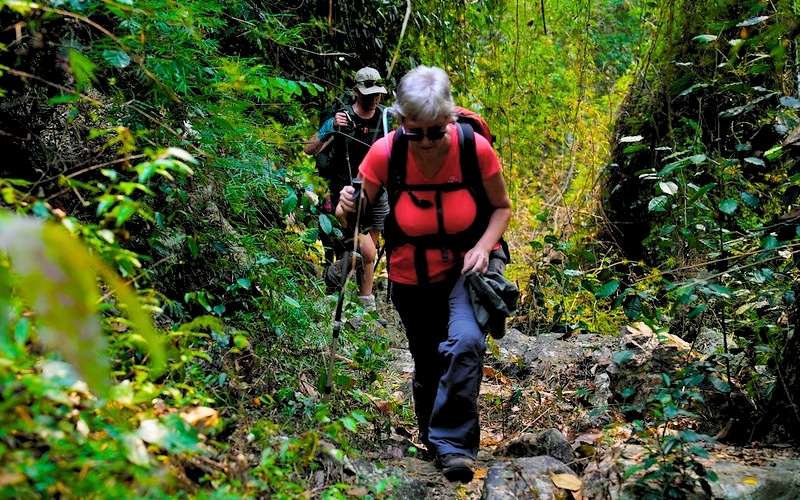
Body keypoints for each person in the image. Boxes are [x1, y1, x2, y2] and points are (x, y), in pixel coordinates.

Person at [336, 65, 512, 483]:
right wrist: (346, 206)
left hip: (467, 270)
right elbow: (356, 218)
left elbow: (501, 208)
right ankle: (434, 440)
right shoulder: (386, 152)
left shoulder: (473, 149)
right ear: (401, 121)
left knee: (466, 343)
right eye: (417, 132)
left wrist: (483, 247)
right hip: (410, 274)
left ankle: (454, 447)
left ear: (450, 118)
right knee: (428, 360)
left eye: (437, 131)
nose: (428, 141)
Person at [305, 67, 392, 318]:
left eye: (377, 94)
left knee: (368, 254)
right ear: (356, 92)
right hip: (347, 194)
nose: (373, 99)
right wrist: (331, 126)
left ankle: (365, 306)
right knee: (365, 252)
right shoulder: (343, 118)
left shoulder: (385, 119)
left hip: (378, 194)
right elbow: (310, 149)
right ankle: (336, 281)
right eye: (368, 94)